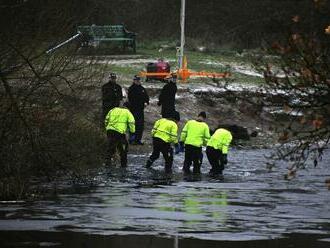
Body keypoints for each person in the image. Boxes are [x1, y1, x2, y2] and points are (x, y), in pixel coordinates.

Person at [104, 101, 135, 167]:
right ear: (129, 108)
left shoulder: (113, 110)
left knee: (111, 145)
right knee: (123, 148)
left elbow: (106, 119)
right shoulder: (127, 112)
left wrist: (107, 128)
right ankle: (123, 165)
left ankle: (108, 162)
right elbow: (131, 122)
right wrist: (132, 132)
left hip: (110, 131)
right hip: (119, 132)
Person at [127, 75, 149, 145]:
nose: (138, 81)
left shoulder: (142, 89)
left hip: (140, 110)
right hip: (133, 110)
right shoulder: (131, 89)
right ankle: (132, 139)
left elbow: (146, 97)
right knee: (133, 125)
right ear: (134, 81)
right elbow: (129, 99)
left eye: (139, 80)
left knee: (140, 125)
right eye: (136, 80)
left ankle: (138, 139)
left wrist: (146, 102)